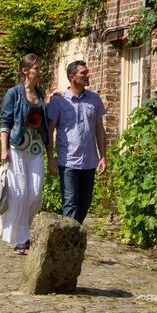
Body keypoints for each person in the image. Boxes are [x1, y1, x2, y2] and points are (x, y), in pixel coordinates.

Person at [0, 54, 50, 255]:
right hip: (17, 148)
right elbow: (5, 122)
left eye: (39, 68)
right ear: (25, 71)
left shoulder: (41, 94)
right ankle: (20, 239)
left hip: (36, 148)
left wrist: (50, 153)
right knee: (19, 193)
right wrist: (4, 150)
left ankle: (23, 231)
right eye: (36, 68)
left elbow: (45, 124)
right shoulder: (14, 94)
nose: (39, 71)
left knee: (35, 193)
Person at [46, 59, 106, 223]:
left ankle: (72, 237)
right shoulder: (58, 101)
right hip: (68, 161)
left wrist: (103, 156)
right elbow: (50, 130)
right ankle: (67, 243)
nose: (87, 75)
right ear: (72, 77)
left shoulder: (94, 99)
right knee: (70, 204)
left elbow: (100, 129)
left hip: (89, 162)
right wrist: (51, 159)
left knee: (85, 204)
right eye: (83, 73)